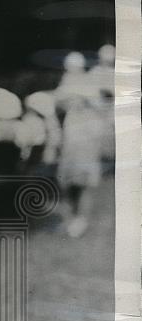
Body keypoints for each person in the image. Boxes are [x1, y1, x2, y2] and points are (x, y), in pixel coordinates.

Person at [54, 50, 104, 238]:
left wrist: (83, 100)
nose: (70, 71)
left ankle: (82, 219)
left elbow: (98, 106)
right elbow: (58, 102)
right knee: (67, 180)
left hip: (87, 137)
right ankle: (69, 219)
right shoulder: (66, 82)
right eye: (68, 67)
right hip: (71, 137)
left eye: (73, 67)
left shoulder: (88, 83)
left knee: (84, 180)